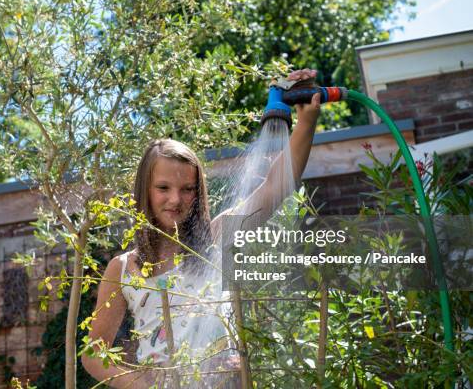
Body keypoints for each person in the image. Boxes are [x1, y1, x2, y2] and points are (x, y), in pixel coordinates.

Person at [81, 69, 321, 388]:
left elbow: (274, 186)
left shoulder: (216, 241)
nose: (175, 199)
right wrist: (143, 384)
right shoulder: (124, 268)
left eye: (187, 189)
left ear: (199, 193)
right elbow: (94, 354)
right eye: (163, 188)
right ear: (145, 191)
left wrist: (306, 121)